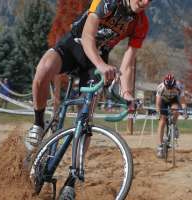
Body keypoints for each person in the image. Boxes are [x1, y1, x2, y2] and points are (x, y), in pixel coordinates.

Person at [25, 0, 151, 152]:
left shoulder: (141, 22)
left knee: (86, 115)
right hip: (74, 45)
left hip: (97, 58)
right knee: (43, 70)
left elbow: (128, 63)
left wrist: (127, 93)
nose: (145, 2)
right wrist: (101, 65)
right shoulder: (107, 2)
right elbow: (87, 37)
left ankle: (77, 167)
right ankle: (38, 123)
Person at [156, 74, 188, 158]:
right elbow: (158, 104)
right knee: (162, 120)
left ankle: (174, 125)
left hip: (174, 100)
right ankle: (160, 146)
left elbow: (183, 102)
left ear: (175, 85)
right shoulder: (161, 87)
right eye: (168, 88)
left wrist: (184, 111)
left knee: (176, 110)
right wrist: (158, 112)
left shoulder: (179, 87)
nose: (170, 90)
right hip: (163, 101)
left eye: (171, 88)